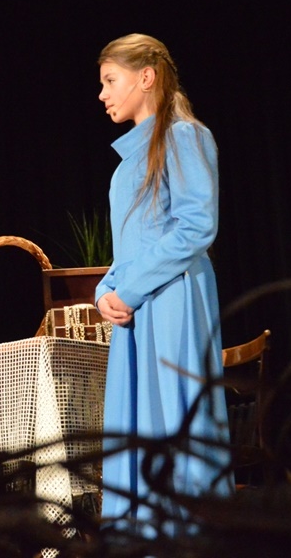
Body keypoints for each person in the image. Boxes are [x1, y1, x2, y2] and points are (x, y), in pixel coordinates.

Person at [93, 34, 232, 535]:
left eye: (111, 80)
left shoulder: (185, 136)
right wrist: (104, 291)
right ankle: (141, 537)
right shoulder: (125, 167)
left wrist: (127, 290)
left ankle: (190, 535)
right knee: (137, 425)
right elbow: (128, 248)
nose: (103, 94)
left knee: (176, 417)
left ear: (146, 77)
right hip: (136, 306)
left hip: (173, 298)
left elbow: (196, 226)